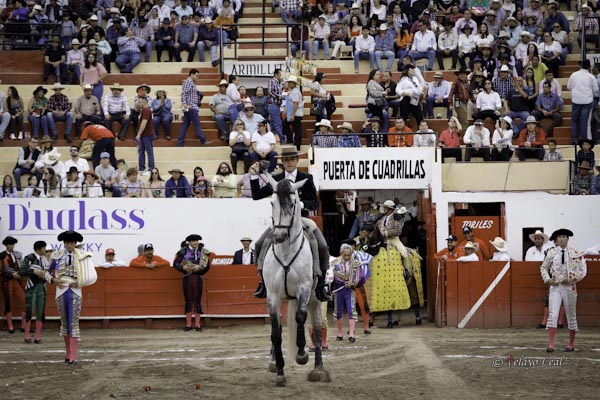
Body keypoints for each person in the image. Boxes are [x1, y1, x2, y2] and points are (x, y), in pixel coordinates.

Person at [249, 146, 331, 301]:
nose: (289, 162)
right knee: (259, 244)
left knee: (322, 246)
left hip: (302, 219)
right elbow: (257, 195)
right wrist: (254, 176)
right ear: (283, 161)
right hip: (280, 222)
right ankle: (263, 282)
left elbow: (314, 203)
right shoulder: (277, 179)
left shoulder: (306, 177)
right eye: (286, 159)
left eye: (292, 159)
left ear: (297, 160)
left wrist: (300, 205)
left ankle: (321, 283)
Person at [45, 230, 96, 365]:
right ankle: (68, 353)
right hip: (60, 290)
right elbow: (47, 272)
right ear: (64, 243)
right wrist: (53, 280)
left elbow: (92, 275)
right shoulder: (56, 256)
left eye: (72, 242)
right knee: (64, 322)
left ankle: (72, 355)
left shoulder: (83, 256)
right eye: (67, 242)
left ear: (75, 243)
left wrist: (80, 282)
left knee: (73, 322)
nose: (69, 245)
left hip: (75, 290)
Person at [541, 228, 587, 352]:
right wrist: (547, 279)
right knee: (553, 315)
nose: (561, 239)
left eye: (563, 236)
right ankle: (551, 344)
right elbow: (543, 268)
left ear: (567, 238)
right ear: (556, 240)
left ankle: (571, 345)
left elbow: (583, 270)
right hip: (555, 287)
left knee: (571, 316)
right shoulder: (551, 253)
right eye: (559, 237)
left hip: (569, 287)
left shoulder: (576, 253)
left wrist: (573, 280)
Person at [173, 234, 213, 331]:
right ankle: (188, 324)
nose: (196, 243)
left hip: (198, 277)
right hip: (187, 278)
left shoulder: (202, 252)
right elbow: (175, 263)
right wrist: (183, 268)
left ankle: (198, 324)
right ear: (189, 242)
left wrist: (199, 270)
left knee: (197, 300)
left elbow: (207, 266)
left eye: (197, 241)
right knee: (188, 300)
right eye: (194, 241)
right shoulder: (183, 251)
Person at [332, 243, 368, 343]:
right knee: (338, 311)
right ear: (341, 254)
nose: (347, 257)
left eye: (349, 255)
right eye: (345, 255)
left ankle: (351, 333)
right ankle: (339, 333)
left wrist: (352, 283)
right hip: (339, 289)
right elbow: (331, 275)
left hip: (350, 289)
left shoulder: (355, 263)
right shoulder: (334, 262)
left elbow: (361, 276)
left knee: (351, 310)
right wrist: (342, 281)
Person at [14, 240, 49, 343]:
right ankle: (27, 335)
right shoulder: (29, 258)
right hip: (31, 288)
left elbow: (48, 273)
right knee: (29, 311)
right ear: (38, 249)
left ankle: (37, 337)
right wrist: (34, 271)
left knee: (40, 312)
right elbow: (21, 271)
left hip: (41, 288)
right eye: (43, 248)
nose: (45, 250)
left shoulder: (45, 259)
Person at [568, 59, 599, 144]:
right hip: (587, 101)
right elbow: (596, 90)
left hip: (576, 100)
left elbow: (568, 87)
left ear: (581, 66)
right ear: (589, 67)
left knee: (574, 120)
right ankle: (583, 140)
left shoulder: (574, 75)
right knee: (584, 121)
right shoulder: (591, 76)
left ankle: (574, 139)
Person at [1, 236, 25, 334]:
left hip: (16, 281)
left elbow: (21, 266)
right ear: (6, 245)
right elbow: (2, 269)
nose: (12, 246)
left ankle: (24, 325)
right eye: (10, 244)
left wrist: (19, 273)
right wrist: (12, 274)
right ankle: (10, 326)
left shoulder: (17, 255)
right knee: (8, 303)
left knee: (23, 300)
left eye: (13, 244)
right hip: (6, 281)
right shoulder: (1, 256)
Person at [178, 69, 207, 146]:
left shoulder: (191, 82)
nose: (197, 77)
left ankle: (180, 143)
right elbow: (184, 93)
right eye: (196, 75)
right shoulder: (189, 82)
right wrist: (184, 103)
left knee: (185, 124)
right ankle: (203, 140)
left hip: (190, 106)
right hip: (191, 106)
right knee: (196, 124)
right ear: (191, 74)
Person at [134, 97, 155, 174]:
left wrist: (138, 134)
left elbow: (144, 123)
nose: (138, 104)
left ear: (144, 102)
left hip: (147, 134)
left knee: (149, 151)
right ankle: (141, 168)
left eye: (140, 102)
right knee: (141, 151)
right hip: (143, 134)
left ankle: (151, 169)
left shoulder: (146, 110)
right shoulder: (143, 111)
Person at [284, 75, 304, 150]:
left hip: (296, 113)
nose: (288, 84)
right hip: (294, 112)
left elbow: (296, 103)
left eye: (290, 82)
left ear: (294, 83)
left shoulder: (295, 92)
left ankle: (296, 144)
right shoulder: (294, 91)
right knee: (288, 125)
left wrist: (292, 114)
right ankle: (292, 141)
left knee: (296, 129)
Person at [267, 69, 284, 144]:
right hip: (273, 104)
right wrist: (280, 97)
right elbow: (270, 91)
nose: (281, 76)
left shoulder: (279, 83)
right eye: (280, 74)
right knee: (278, 123)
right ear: (276, 75)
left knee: (273, 124)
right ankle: (282, 139)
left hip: (277, 105)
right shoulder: (272, 81)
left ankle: (271, 140)